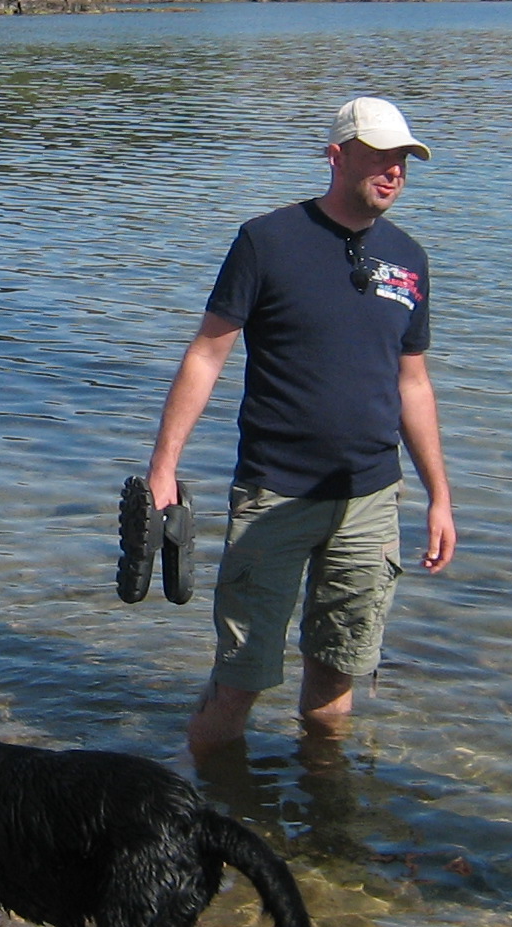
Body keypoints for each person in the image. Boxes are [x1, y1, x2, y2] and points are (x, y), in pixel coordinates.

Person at [146, 98, 459, 755]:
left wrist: (439, 496)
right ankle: (209, 815)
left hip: (371, 499)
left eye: (403, 160)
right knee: (240, 682)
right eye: (380, 157)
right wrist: (164, 469)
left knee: (335, 688)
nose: (395, 171)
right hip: (275, 495)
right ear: (337, 155)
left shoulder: (409, 259)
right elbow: (207, 354)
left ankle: (321, 836)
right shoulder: (268, 241)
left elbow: (414, 383)